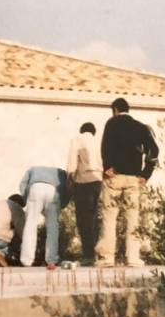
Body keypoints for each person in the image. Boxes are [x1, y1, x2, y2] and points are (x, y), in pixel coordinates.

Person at [97, 97, 159, 268]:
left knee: (110, 216)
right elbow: (154, 150)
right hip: (134, 178)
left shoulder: (112, 123)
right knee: (133, 218)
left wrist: (107, 166)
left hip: (114, 177)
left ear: (115, 110)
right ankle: (133, 257)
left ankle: (107, 258)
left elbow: (105, 146)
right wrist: (146, 174)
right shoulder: (140, 127)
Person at [18, 165, 69, 269]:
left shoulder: (32, 169)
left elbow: (22, 185)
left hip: (35, 188)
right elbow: (67, 189)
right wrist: (62, 204)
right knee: (52, 227)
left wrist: (26, 199)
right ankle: (51, 260)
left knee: (30, 224)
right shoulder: (61, 172)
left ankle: (26, 260)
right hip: (53, 190)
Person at [66, 122, 103, 266]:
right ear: (93, 132)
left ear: (82, 131)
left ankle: (88, 255)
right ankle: (97, 253)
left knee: (83, 219)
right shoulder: (98, 141)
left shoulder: (77, 139)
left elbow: (72, 164)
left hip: (83, 182)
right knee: (95, 218)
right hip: (98, 181)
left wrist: (70, 180)